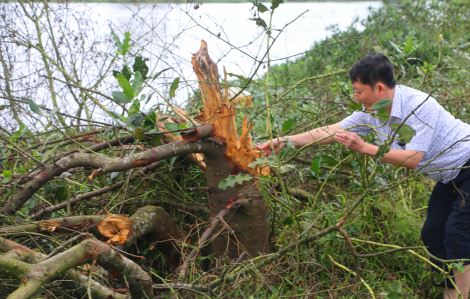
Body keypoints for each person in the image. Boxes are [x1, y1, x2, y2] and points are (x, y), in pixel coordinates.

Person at [255, 53, 470, 299]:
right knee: (433, 234)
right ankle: (449, 295)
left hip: (468, 164)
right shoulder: (370, 112)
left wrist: (364, 147)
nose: (355, 98)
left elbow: (413, 159)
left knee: (457, 235)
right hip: (449, 177)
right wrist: (285, 141)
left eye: (358, 91)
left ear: (379, 88)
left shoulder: (419, 105)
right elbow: (331, 131)